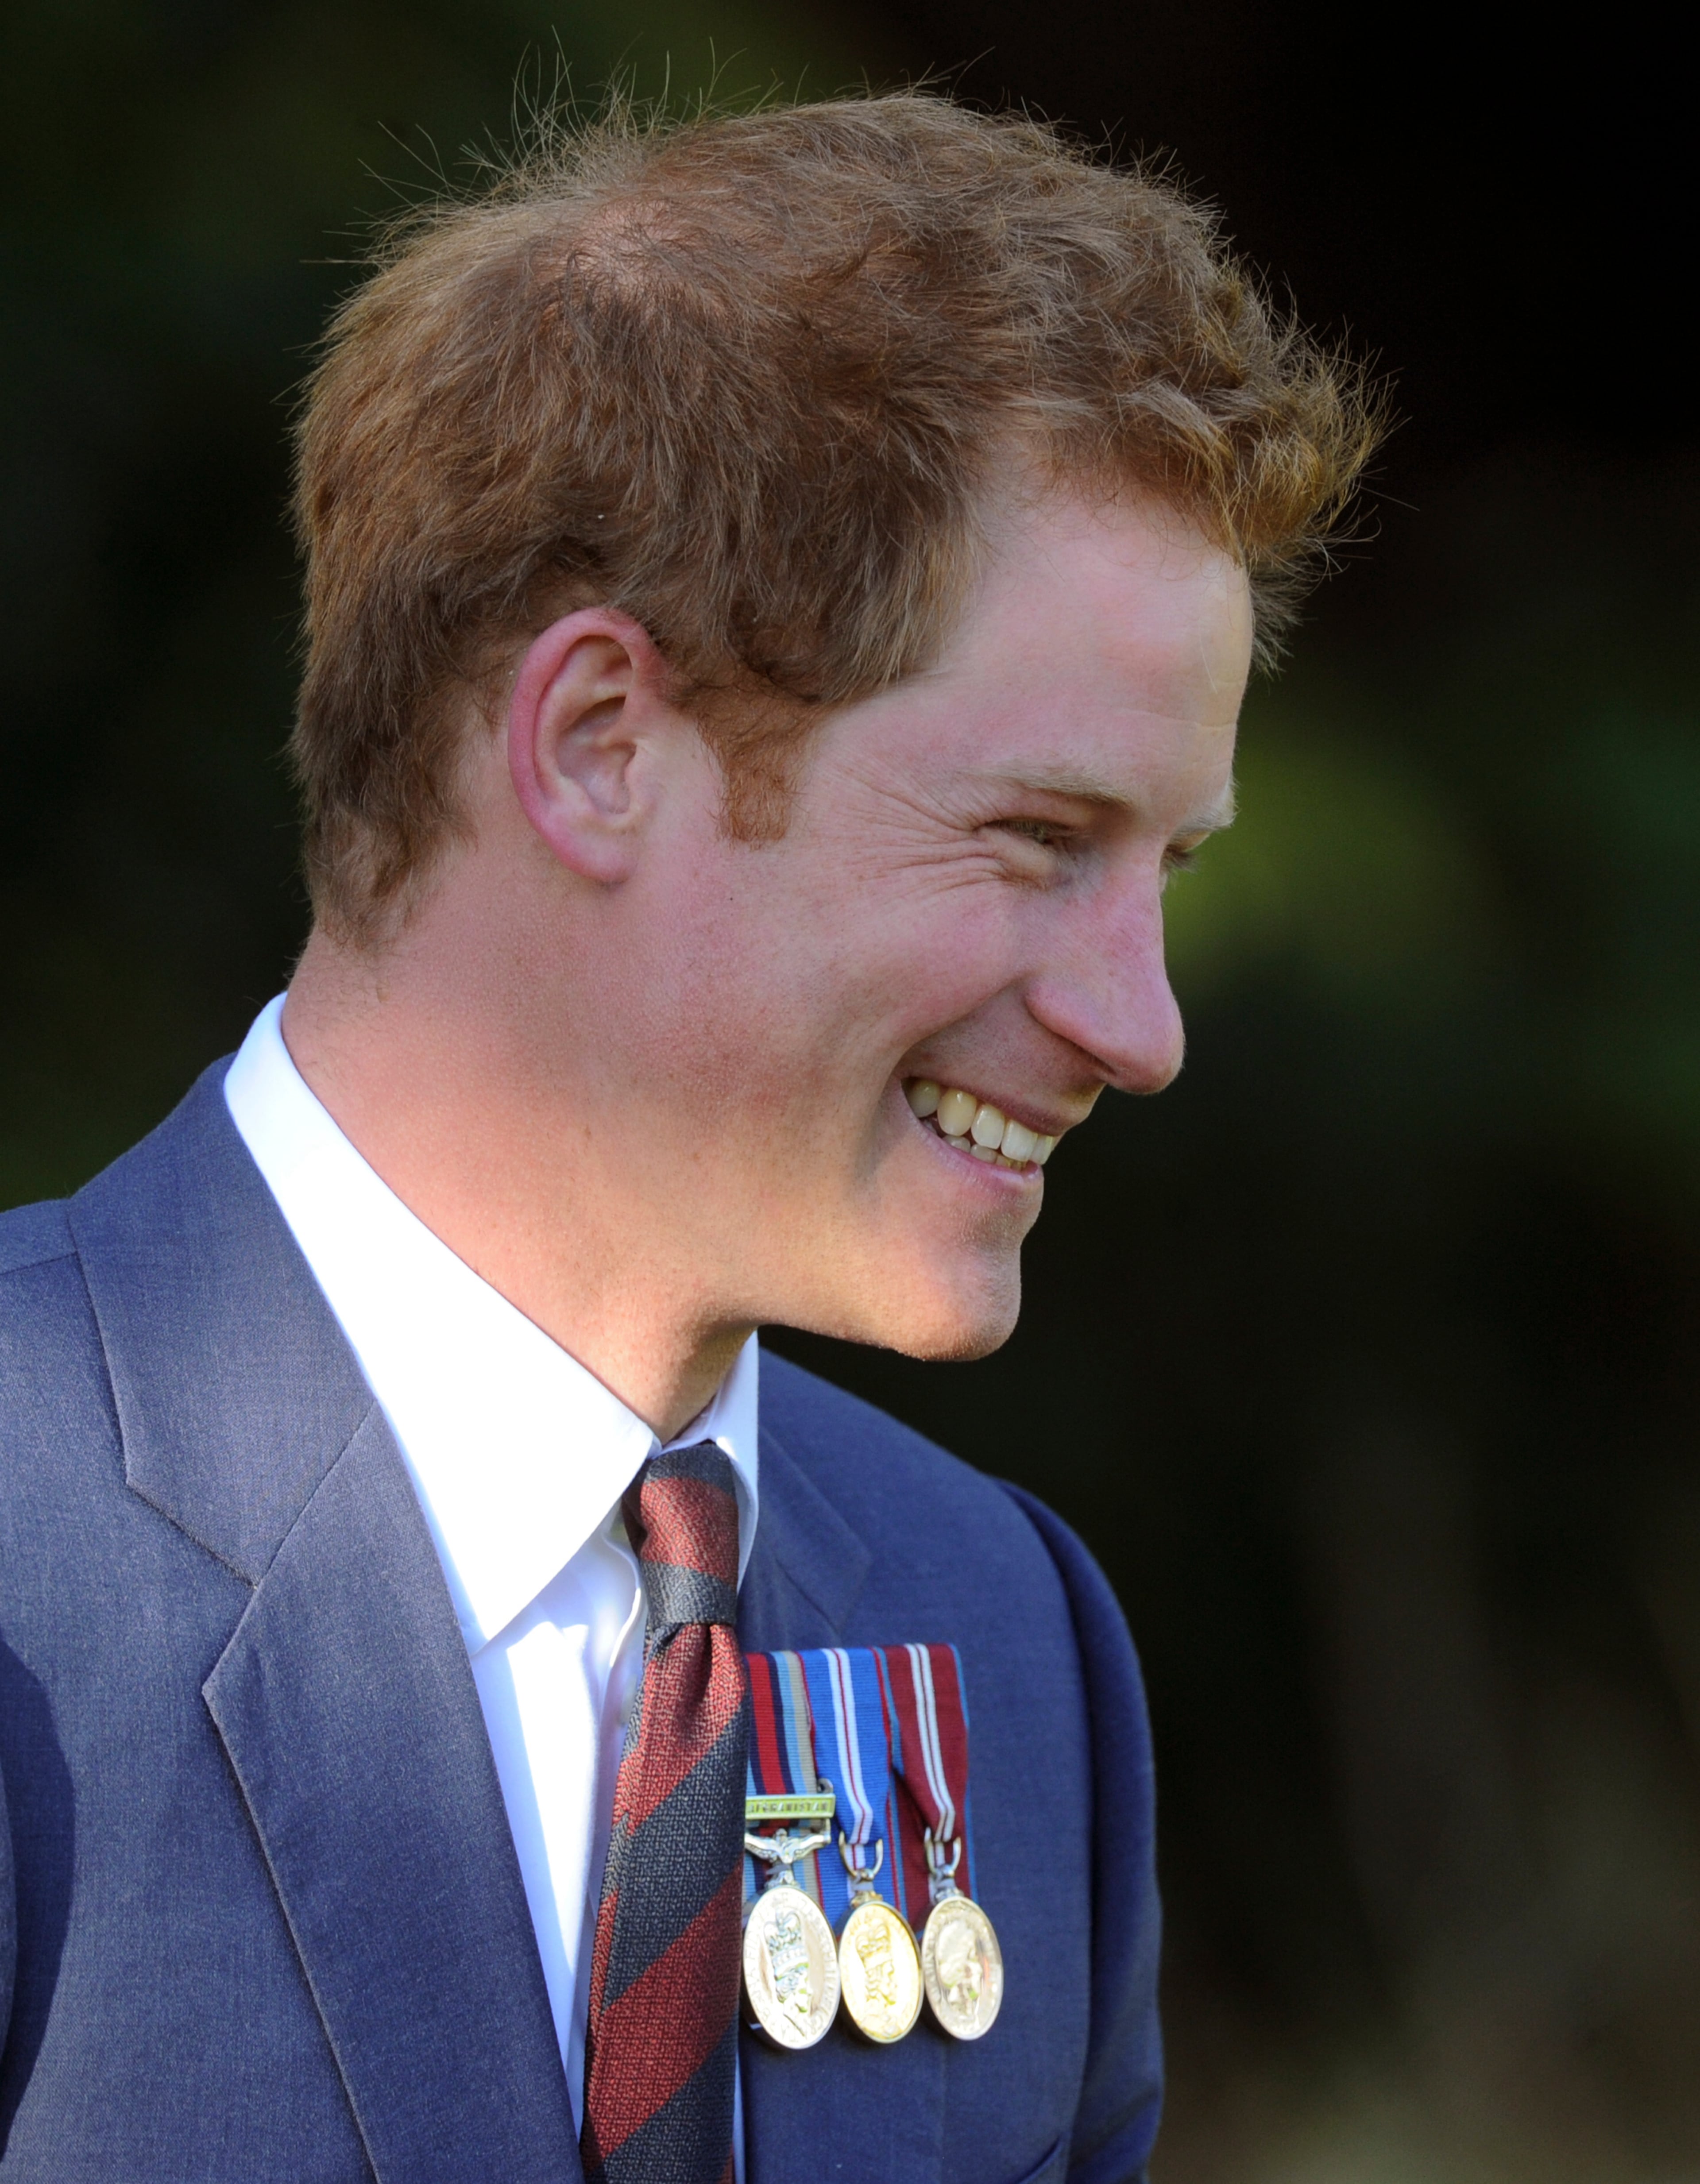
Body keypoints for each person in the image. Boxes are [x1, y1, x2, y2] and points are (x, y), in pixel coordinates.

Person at [0, 93, 1373, 2184]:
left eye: (1167, 867)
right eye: (1036, 837)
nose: (1144, 1023)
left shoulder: (1005, 1632)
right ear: (597, 746)